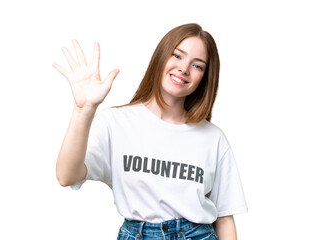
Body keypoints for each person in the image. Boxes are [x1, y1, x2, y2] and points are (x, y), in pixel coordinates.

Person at [52, 23, 248, 240]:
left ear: (205, 77)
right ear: (161, 57)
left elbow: (224, 218)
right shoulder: (115, 123)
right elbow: (66, 176)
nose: (184, 68)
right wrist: (83, 110)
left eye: (197, 66)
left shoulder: (214, 138)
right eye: (177, 55)